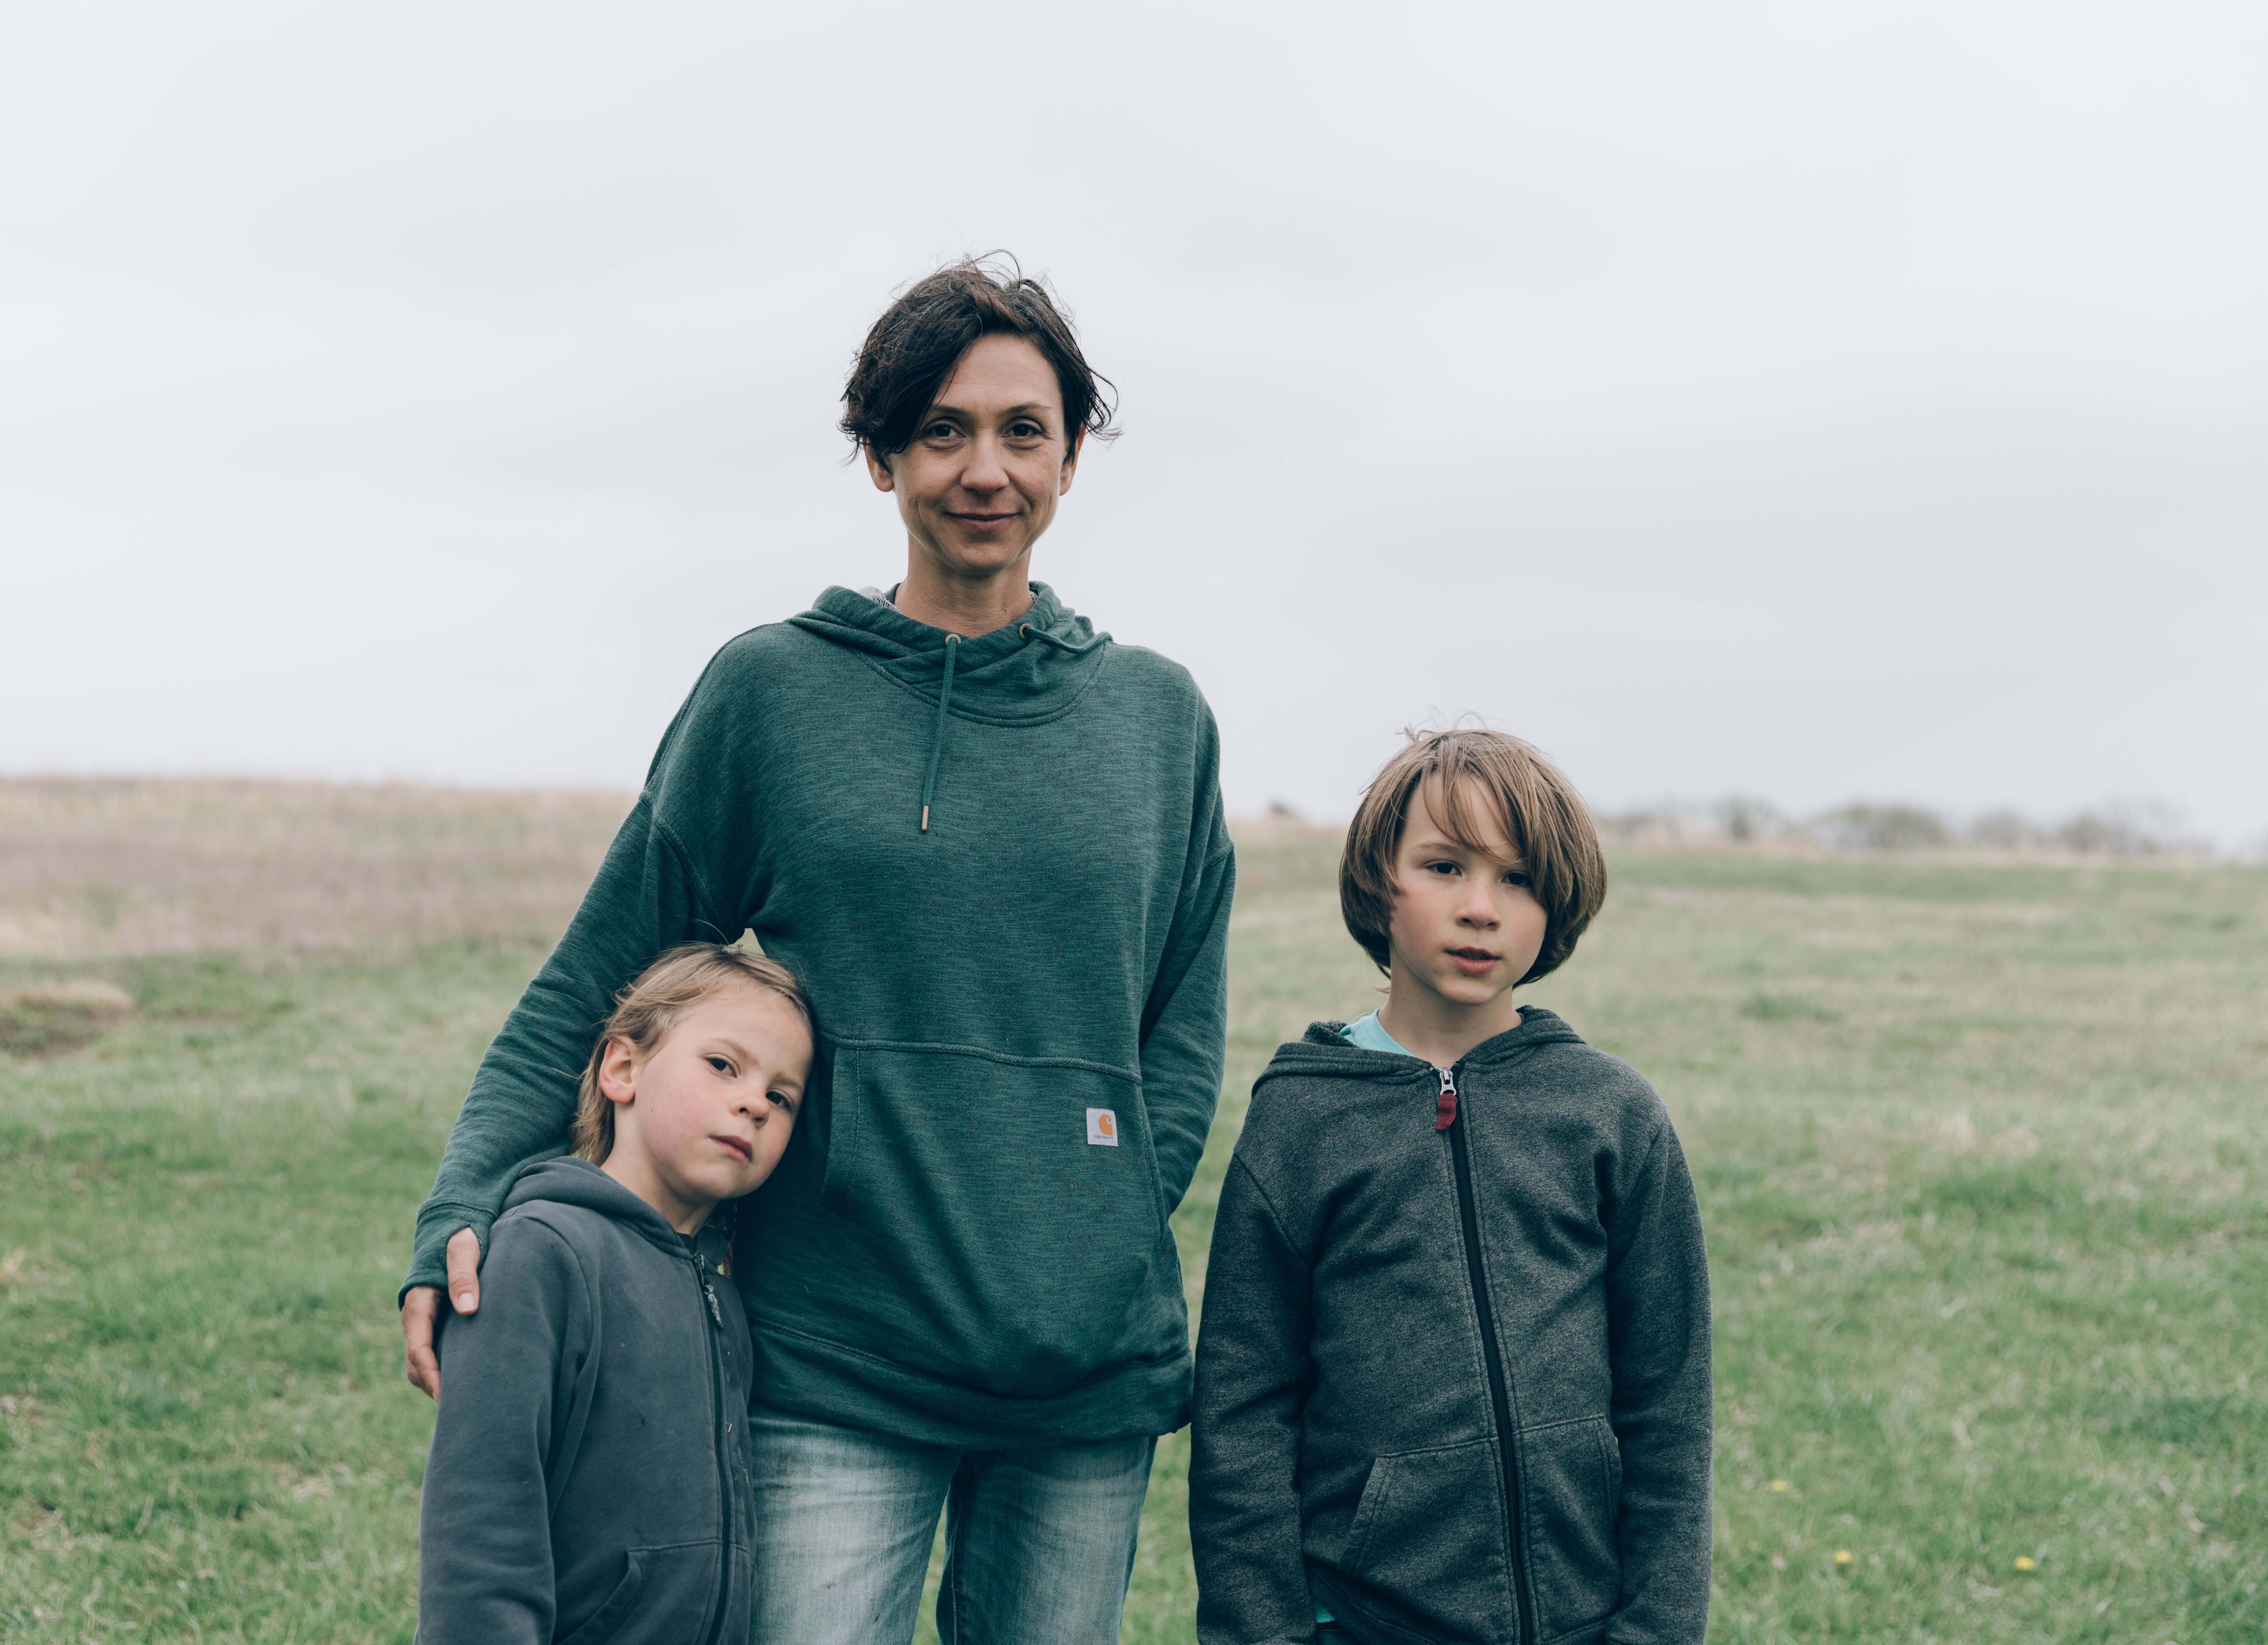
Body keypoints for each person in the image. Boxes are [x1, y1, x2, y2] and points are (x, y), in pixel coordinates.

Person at [400, 256, 1235, 1645]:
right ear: (879, 455)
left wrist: (1082, 1230)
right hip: (833, 1356)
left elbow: (1183, 1037)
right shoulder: (773, 695)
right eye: (942, 429)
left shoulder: (1158, 720)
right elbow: (597, 973)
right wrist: (460, 1209)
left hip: (1084, 1384)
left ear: (1073, 459)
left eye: (1024, 430)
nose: (985, 467)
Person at [1188, 729, 1713, 1645]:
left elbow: (1669, 1406)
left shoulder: (1609, 1113)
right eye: (1444, 866)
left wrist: (1656, 1628)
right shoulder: (1304, 1117)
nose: (1482, 908)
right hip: (1361, 1620)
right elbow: (1243, 1413)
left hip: (1581, 1622)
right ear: (1376, 886)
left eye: (1518, 879)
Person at [415, 944, 814, 1645]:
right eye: (723, 1065)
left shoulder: (728, 1296)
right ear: (623, 1069)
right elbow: (481, 1517)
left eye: (781, 1098)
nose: (753, 1102)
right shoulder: (541, 1252)